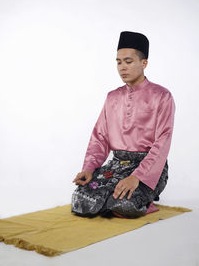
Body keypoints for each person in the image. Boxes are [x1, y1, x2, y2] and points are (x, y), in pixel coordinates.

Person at [71, 31, 175, 218]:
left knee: (125, 202)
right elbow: (100, 137)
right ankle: (111, 199)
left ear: (144, 64)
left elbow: (163, 142)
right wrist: (89, 168)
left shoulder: (162, 96)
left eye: (128, 62)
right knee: (82, 197)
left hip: (149, 168)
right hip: (117, 165)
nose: (122, 68)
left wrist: (137, 177)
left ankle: (143, 198)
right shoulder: (112, 97)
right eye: (118, 62)